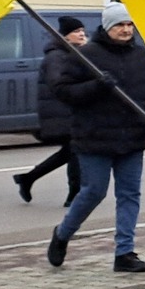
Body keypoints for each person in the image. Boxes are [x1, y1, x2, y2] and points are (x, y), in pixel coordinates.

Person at [46, 3, 145, 273]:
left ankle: (125, 252)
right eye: (120, 25)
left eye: (129, 24)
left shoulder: (142, 56)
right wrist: (95, 86)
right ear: (107, 27)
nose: (126, 29)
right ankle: (62, 234)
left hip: (132, 137)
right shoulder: (86, 55)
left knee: (129, 194)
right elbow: (63, 91)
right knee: (94, 191)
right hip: (94, 137)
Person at [14, 18, 86, 206]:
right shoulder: (57, 56)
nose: (82, 34)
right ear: (65, 36)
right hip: (61, 111)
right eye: (76, 31)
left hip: (68, 110)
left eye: (82, 31)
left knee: (70, 151)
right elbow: (58, 83)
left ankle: (27, 179)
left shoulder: (69, 53)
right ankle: (74, 195)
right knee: (75, 151)